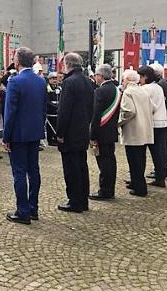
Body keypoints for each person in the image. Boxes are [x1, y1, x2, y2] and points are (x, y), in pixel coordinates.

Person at [3, 47, 46, 225]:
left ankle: (23, 211)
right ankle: (33, 208)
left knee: (19, 171)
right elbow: (43, 109)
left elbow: (10, 112)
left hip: (19, 134)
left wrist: (6, 136)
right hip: (35, 132)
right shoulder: (40, 81)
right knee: (33, 170)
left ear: (17, 62)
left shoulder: (15, 82)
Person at [56, 53, 94, 213]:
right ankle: (83, 200)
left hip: (71, 132)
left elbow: (64, 110)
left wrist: (60, 133)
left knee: (71, 169)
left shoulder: (69, 82)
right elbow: (92, 107)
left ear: (67, 64)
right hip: (83, 129)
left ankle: (74, 201)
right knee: (81, 166)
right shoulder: (88, 81)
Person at [118, 69, 154, 197]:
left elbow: (129, 111)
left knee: (133, 160)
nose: (122, 81)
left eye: (123, 79)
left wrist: (119, 122)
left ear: (127, 80)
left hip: (133, 131)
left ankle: (139, 187)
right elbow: (153, 108)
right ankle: (136, 182)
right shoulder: (142, 90)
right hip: (144, 130)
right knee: (140, 159)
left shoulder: (128, 92)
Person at [89, 64, 121, 200]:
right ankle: (110, 189)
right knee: (110, 162)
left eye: (96, 75)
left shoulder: (100, 91)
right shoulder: (116, 89)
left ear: (101, 76)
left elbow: (96, 115)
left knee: (104, 164)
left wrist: (92, 135)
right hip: (111, 131)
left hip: (101, 133)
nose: (95, 77)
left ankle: (105, 191)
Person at [138, 66, 167, 188]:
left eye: (140, 76)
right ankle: (160, 176)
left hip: (152, 123)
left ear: (145, 77)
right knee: (158, 152)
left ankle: (139, 177)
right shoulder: (158, 87)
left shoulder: (146, 89)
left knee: (143, 152)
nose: (138, 79)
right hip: (162, 121)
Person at [45, 72, 60, 146]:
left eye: (56, 78)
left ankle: (55, 138)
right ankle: (50, 140)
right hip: (50, 110)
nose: (55, 80)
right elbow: (47, 101)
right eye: (53, 79)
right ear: (49, 79)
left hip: (58, 111)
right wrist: (55, 107)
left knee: (56, 125)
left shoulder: (59, 88)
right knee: (50, 125)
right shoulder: (47, 88)